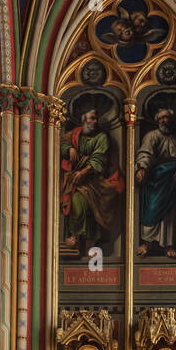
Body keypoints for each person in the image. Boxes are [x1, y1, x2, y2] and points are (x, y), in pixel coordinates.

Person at [135, 106, 176, 257]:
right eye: (161, 118)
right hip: (157, 178)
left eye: (166, 117)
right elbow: (145, 153)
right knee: (152, 209)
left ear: (171, 119)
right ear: (157, 121)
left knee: (172, 212)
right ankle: (147, 243)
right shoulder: (152, 136)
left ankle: (169, 246)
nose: (163, 120)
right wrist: (142, 168)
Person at [60, 104, 124, 253]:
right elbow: (62, 143)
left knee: (95, 204)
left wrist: (83, 172)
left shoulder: (101, 138)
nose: (95, 121)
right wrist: (69, 148)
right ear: (83, 120)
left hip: (95, 181)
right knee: (77, 202)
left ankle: (91, 241)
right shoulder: (75, 135)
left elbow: (99, 159)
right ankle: (75, 235)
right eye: (92, 118)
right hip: (75, 181)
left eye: (96, 118)